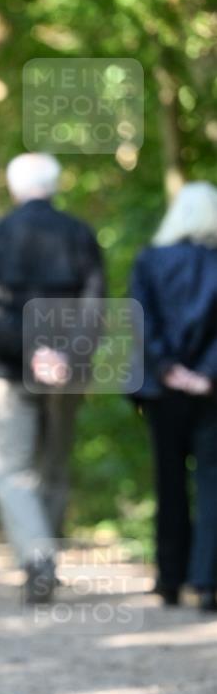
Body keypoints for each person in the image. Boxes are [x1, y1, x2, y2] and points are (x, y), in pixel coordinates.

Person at [0, 153, 105, 604]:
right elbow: (96, 306)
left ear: (14, 187)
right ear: (55, 184)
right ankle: (45, 558)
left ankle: (37, 557)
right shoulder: (80, 233)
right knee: (54, 468)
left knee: (13, 471)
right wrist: (64, 355)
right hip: (68, 373)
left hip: (6, 370)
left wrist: (33, 353)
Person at [129, 181, 217, 612]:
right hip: (211, 393)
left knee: (169, 484)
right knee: (212, 483)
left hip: (161, 392)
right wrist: (206, 375)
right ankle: (207, 582)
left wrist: (167, 369)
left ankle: (169, 578)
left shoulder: (150, 260)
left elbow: (139, 321)